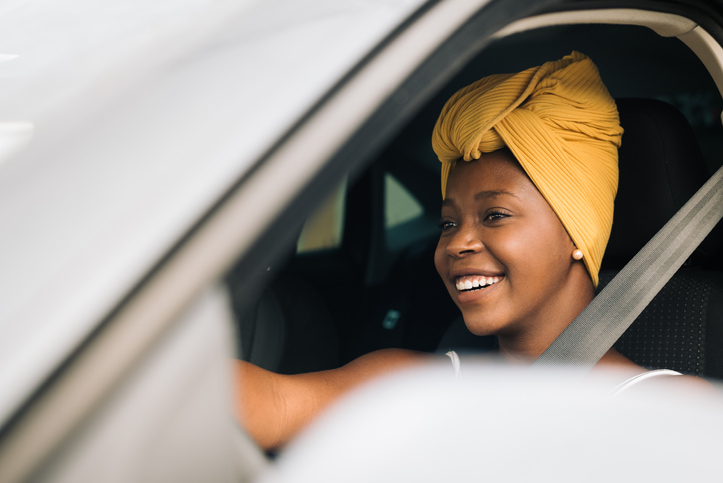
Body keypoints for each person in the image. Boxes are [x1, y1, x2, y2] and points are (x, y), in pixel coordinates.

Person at [233, 51, 699, 450]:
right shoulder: (414, 383)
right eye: (448, 223)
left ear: (577, 233)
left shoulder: (679, 417)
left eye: (494, 215)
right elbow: (275, 405)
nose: (457, 242)